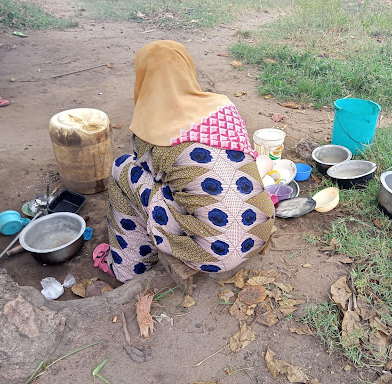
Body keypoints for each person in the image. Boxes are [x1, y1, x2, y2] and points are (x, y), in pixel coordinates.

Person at [106, 40, 275, 282]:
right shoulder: (224, 106)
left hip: (211, 253)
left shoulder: (150, 128)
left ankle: (128, 268)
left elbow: (145, 174)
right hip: (258, 230)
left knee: (122, 169)